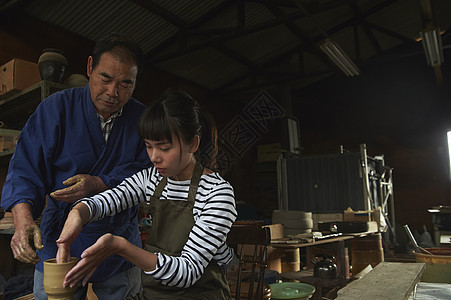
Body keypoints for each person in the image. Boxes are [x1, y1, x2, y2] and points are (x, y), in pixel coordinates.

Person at [0, 33, 150, 299]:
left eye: (126, 83)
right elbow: (25, 169)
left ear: (136, 82)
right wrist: (23, 221)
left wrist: (101, 183)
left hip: (117, 241)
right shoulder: (55, 110)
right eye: (105, 78)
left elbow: (149, 175)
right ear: (90, 67)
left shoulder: (144, 120)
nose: (113, 92)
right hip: (59, 238)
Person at [56, 89, 237, 299]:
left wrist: (121, 246)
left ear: (193, 144)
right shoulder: (151, 178)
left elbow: (186, 272)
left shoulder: (217, 193)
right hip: (154, 294)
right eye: (149, 147)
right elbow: (110, 199)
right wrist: (78, 213)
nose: (154, 157)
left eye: (164, 148)